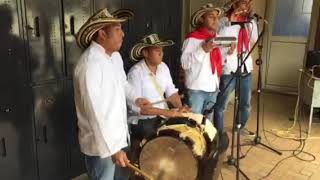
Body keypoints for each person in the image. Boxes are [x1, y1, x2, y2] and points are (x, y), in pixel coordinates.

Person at [73, 8, 147, 180]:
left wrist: (136, 98)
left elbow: (123, 84)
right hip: (101, 146)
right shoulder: (89, 65)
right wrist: (113, 149)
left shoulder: (115, 57)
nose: (122, 34)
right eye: (117, 30)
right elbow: (94, 113)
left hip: (119, 137)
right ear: (102, 34)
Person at [127, 33, 189, 140]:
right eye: (156, 50)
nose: (161, 53)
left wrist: (179, 108)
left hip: (162, 115)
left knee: (184, 130)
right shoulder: (135, 73)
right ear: (145, 53)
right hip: (143, 119)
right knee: (156, 137)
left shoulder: (163, 67)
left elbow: (172, 93)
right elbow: (139, 108)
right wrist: (168, 113)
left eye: (162, 49)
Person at [214, 0, 258, 135]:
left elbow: (254, 40)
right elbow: (218, 40)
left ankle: (240, 127)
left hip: (245, 67)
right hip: (230, 67)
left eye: (247, 4)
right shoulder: (223, 21)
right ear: (235, 5)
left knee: (245, 103)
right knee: (222, 104)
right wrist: (231, 21)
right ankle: (219, 133)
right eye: (243, 3)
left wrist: (250, 23)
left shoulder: (250, 22)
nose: (246, 6)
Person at [181, 3, 223, 122]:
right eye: (211, 17)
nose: (216, 20)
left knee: (207, 124)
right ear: (201, 19)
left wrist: (229, 52)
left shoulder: (216, 38)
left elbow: (215, 62)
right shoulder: (192, 39)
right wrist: (202, 49)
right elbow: (184, 64)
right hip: (196, 90)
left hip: (212, 88)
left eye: (217, 17)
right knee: (194, 124)